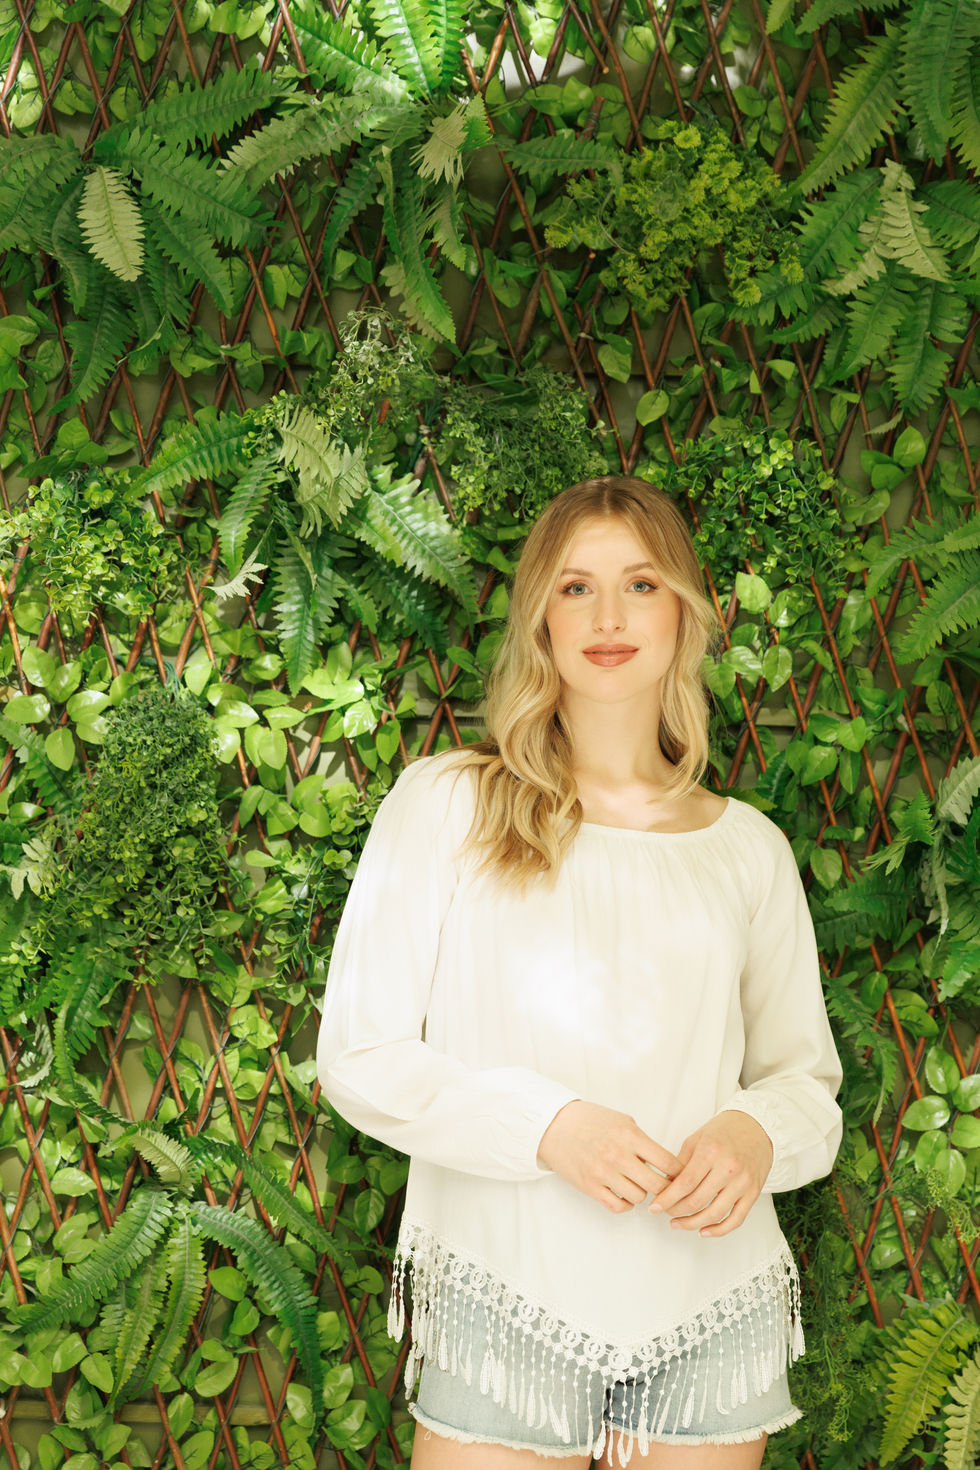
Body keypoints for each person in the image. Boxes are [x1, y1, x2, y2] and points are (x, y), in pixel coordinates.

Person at [316, 475, 844, 1469]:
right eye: (575, 588)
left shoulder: (748, 848)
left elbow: (803, 1083)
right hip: (503, 1291)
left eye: (640, 585)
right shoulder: (448, 804)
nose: (608, 617)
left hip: (708, 1303)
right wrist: (549, 1126)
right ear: (540, 620)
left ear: (684, 615)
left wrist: (753, 1134)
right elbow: (360, 1055)